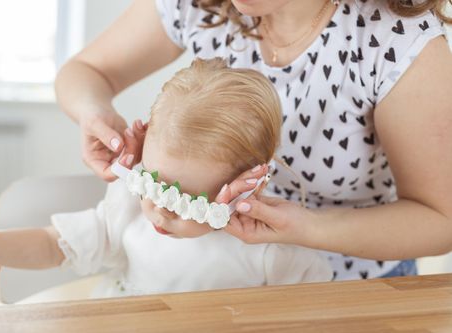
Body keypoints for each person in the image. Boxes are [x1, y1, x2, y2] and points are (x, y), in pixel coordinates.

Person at [54, 0, 452, 281]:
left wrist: (304, 228)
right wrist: (93, 112)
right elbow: (86, 71)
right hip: (223, 279)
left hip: (353, 289)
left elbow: (441, 221)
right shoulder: (198, 5)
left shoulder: (395, 43)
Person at [0, 58, 332, 297]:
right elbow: (55, 245)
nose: (158, 207)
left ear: (249, 184)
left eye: (183, 199)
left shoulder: (277, 255)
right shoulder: (127, 211)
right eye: (150, 182)